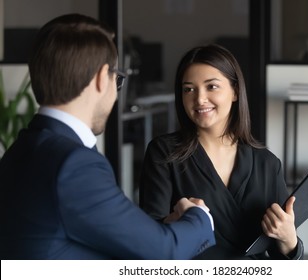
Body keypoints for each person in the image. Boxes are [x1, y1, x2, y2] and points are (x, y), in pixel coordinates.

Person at [0, 14, 216, 260]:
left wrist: (162, 228)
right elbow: (164, 254)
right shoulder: (74, 164)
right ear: (103, 78)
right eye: (118, 79)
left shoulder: (21, 148)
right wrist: (199, 217)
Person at [139, 44, 304, 259]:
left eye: (212, 87)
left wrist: (289, 240)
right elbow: (149, 237)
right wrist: (179, 220)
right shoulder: (163, 153)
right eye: (189, 89)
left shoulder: (267, 163)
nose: (199, 99)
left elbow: (279, 255)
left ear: (235, 91)